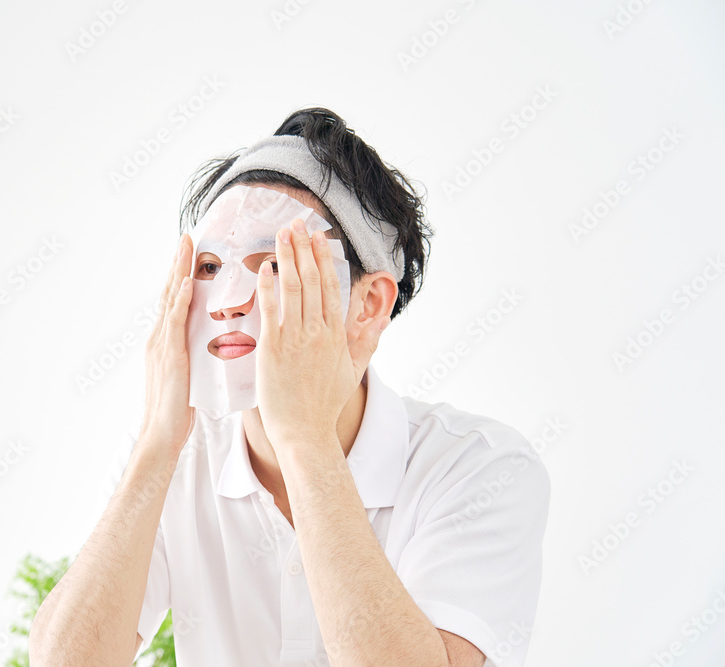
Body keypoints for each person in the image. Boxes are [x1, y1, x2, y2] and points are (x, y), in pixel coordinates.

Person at [29, 107, 550, 667]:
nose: (228, 302)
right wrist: (156, 443)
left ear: (368, 305)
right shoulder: (174, 457)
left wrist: (305, 439)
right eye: (209, 266)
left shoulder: (479, 468)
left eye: (275, 264)